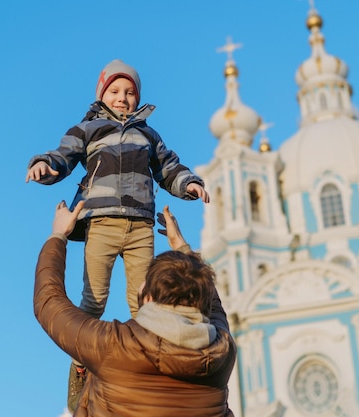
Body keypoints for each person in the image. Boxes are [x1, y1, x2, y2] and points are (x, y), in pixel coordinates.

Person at [25, 59, 210, 409]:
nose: (122, 98)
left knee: (143, 304)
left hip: (141, 226)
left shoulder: (148, 135)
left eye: (129, 92)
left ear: (137, 98)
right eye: (115, 91)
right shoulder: (88, 129)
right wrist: (44, 167)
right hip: (102, 223)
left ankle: (147, 369)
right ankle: (81, 365)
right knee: (93, 298)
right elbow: (62, 156)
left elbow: (170, 168)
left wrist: (191, 184)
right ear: (102, 94)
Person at [34, 201, 236, 416]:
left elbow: (48, 302)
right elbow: (213, 304)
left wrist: (58, 234)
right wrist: (182, 248)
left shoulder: (114, 344)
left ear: (148, 296)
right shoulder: (221, 351)